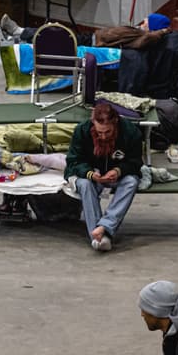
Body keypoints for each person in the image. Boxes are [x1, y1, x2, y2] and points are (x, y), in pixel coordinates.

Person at [65, 102, 143, 252]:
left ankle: (103, 227)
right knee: (85, 185)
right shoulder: (82, 130)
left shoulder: (131, 132)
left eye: (107, 132)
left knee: (131, 182)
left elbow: (136, 161)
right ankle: (102, 236)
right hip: (90, 174)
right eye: (99, 132)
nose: (103, 136)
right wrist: (90, 174)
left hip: (117, 174)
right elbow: (73, 161)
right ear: (93, 123)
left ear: (115, 123)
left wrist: (118, 171)